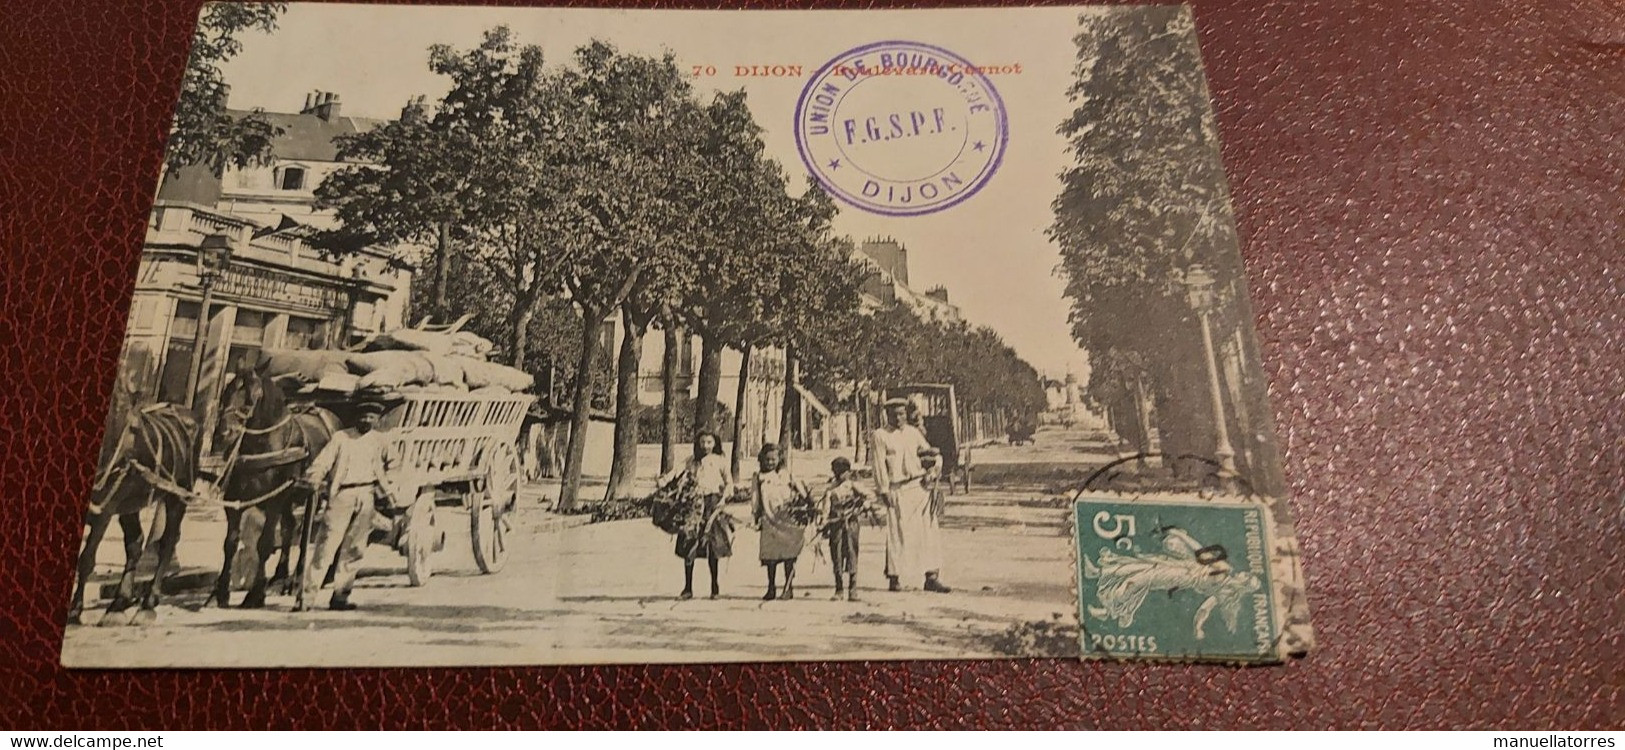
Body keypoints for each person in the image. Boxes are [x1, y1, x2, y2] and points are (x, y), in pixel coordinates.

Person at [299, 400, 394, 612]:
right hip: (342, 494)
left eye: (371, 417)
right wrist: (314, 478)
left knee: (355, 548)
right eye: (363, 416)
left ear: (377, 420)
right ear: (356, 418)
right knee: (326, 546)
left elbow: (393, 463)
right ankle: (307, 598)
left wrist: (388, 487)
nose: (367, 420)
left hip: (367, 495)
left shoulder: (380, 441)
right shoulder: (341, 438)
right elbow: (323, 462)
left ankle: (340, 597)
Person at [873, 397, 951, 593]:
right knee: (897, 533)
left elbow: (934, 456)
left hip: (919, 487)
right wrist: (883, 490)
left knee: (928, 532)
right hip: (896, 489)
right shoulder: (880, 435)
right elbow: (878, 466)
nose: (898, 418)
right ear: (887, 415)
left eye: (901, 414)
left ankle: (931, 577)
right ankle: (894, 578)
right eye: (894, 414)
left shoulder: (914, 433)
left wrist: (932, 474)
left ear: (906, 414)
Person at [657, 430, 734, 600]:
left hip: (711, 505)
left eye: (709, 442)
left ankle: (714, 587)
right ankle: (687, 588)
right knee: (689, 544)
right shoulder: (692, 461)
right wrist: (663, 481)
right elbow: (676, 472)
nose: (706, 446)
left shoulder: (720, 460)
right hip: (692, 505)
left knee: (713, 546)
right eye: (703, 442)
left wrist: (723, 498)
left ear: (715, 443)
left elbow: (729, 483)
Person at [752, 442, 810, 601]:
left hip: (787, 519)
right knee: (770, 556)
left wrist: (805, 505)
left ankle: (788, 587)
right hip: (769, 519)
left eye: (773, 459)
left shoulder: (786, 474)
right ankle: (771, 587)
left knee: (788, 555)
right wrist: (756, 516)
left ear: (779, 459)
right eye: (767, 460)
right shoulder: (759, 477)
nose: (770, 462)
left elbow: (801, 490)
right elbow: (755, 498)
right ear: (762, 460)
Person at [818, 456, 872, 601]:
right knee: (836, 554)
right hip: (836, 524)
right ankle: (839, 589)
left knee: (852, 552)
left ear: (848, 471)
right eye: (838, 472)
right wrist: (823, 523)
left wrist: (863, 506)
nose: (841, 475)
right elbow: (826, 508)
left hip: (852, 524)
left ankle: (853, 589)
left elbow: (869, 496)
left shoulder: (853, 485)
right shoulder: (831, 489)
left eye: (844, 472)